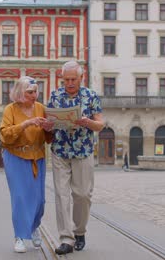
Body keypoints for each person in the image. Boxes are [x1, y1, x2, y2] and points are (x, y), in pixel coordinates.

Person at [42, 61, 105, 255]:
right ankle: (66, 238)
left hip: (83, 151)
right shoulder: (55, 96)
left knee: (82, 195)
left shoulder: (91, 96)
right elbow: (50, 122)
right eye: (66, 79)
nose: (69, 83)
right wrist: (48, 125)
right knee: (61, 195)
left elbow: (100, 124)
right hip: (60, 150)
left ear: (81, 78)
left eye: (73, 79)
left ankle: (79, 231)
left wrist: (87, 122)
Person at [0, 76, 52, 253]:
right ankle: (20, 236)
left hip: (37, 157)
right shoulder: (10, 110)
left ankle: (34, 226)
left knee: (39, 200)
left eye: (36, 91)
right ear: (20, 92)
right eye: (30, 92)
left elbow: (49, 139)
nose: (34, 95)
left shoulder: (41, 109)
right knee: (20, 198)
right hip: (15, 157)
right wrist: (26, 124)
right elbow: (5, 135)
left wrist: (49, 129)